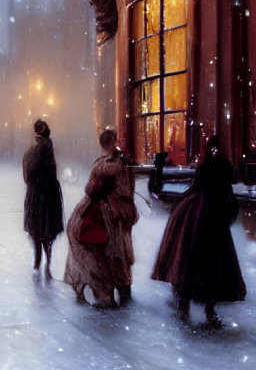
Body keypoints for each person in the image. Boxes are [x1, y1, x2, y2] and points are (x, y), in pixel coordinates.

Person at [152, 134, 247, 325]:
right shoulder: (219, 166)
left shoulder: (210, 167)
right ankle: (202, 307)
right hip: (209, 216)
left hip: (205, 215)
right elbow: (221, 186)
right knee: (208, 263)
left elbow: (207, 185)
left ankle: (191, 304)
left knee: (198, 261)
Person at [63, 128, 139, 307]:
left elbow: (91, 189)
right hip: (121, 213)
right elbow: (127, 189)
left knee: (108, 253)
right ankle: (124, 290)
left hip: (108, 214)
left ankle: (109, 294)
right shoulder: (123, 163)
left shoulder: (102, 165)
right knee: (120, 253)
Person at [22, 119, 64, 278]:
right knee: (46, 230)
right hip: (49, 195)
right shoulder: (49, 148)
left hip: (38, 195)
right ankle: (46, 262)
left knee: (37, 229)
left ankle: (38, 262)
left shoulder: (36, 151)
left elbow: (30, 175)